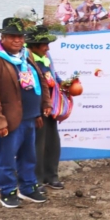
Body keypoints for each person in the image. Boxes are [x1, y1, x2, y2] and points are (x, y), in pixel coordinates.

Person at [0, 17, 51, 208]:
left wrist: (41, 107)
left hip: (30, 116)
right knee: (7, 157)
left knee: (28, 156)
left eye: (20, 37)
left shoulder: (25, 56)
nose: (17, 40)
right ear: (3, 37)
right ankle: (8, 191)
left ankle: (28, 187)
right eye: (12, 37)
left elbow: (39, 81)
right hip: (10, 119)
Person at [27, 26, 65, 189]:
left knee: (52, 140)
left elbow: (53, 76)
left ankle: (52, 175)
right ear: (33, 45)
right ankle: (36, 178)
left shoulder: (46, 56)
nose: (47, 47)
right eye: (44, 44)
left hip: (51, 105)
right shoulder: (26, 60)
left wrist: (64, 84)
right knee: (37, 143)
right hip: (37, 106)